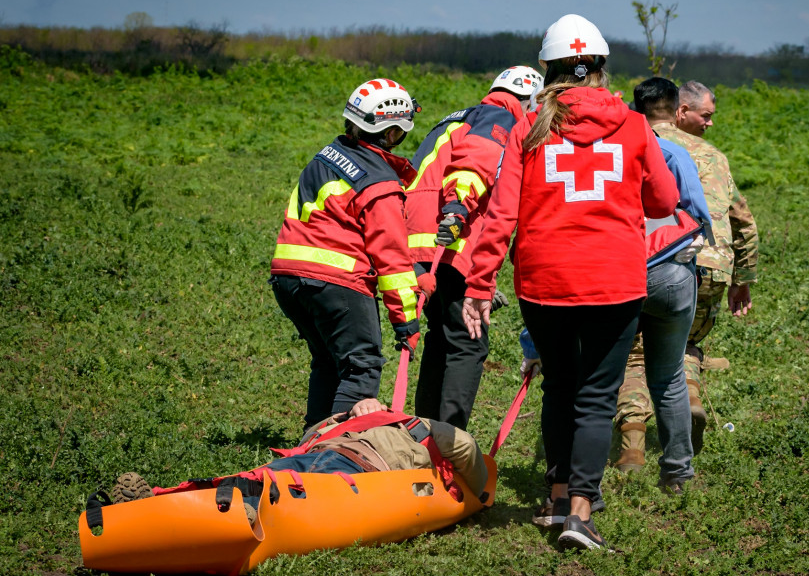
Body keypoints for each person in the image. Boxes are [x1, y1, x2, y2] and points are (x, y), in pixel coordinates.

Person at [461, 14, 680, 551]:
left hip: (544, 281)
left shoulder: (527, 127)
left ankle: (556, 498)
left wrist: (479, 284)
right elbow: (665, 202)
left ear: (547, 71)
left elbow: (500, 214)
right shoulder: (633, 125)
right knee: (598, 396)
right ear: (601, 68)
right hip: (615, 280)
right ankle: (581, 513)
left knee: (560, 386)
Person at [268, 79, 435, 432]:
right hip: (337, 282)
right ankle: (333, 455)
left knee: (329, 363)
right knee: (361, 367)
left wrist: (415, 272)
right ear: (391, 133)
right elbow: (389, 256)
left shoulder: (327, 156)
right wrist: (406, 322)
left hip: (288, 279)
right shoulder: (379, 182)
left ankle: (309, 445)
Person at [405, 66, 543, 431]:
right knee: (469, 340)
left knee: (442, 335)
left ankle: (423, 432)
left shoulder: (459, 116)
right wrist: (457, 208)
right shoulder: (502, 117)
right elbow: (475, 162)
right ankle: (448, 441)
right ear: (529, 100)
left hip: (415, 237)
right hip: (452, 234)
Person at [109, 398, 489, 526]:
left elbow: (310, 436)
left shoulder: (352, 417)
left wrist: (349, 415)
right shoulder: (420, 427)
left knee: (257, 478)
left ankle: (157, 500)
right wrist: (481, 493)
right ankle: (244, 512)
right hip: (355, 467)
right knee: (301, 490)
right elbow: (467, 448)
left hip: (317, 452)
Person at [613, 77, 713, 489]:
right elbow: (695, 213)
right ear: (677, 112)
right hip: (670, 275)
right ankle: (677, 472)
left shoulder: (612, 151)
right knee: (669, 374)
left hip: (617, 274)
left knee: (608, 371)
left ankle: (592, 473)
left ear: (635, 111)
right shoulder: (673, 151)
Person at [670, 80, 760, 454]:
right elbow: (745, 222)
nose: (710, 124)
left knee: (639, 347)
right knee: (685, 342)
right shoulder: (715, 158)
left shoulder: (642, 146)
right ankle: (690, 400)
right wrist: (743, 279)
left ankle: (632, 438)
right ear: (681, 111)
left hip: (663, 263)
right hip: (714, 269)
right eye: (705, 116)